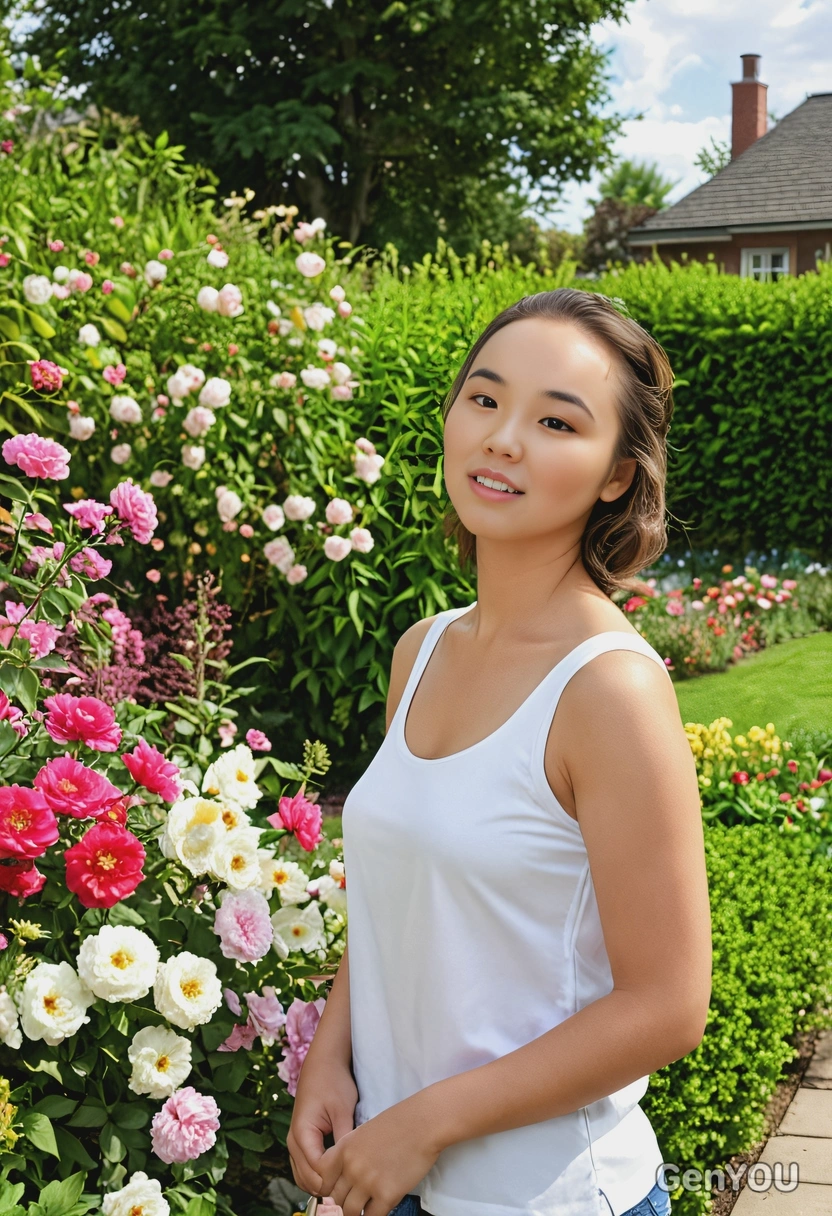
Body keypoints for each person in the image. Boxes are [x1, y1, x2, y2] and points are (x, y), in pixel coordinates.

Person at [287, 288, 712, 1216]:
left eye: (558, 420)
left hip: (546, 1197)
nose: (504, 438)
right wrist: (331, 1057)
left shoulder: (610, 689)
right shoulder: (422, 649)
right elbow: (401, 895)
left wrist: (426, 1122)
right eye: (485, 399)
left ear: (615, 475)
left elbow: (670, 1004)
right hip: (387, 1175)